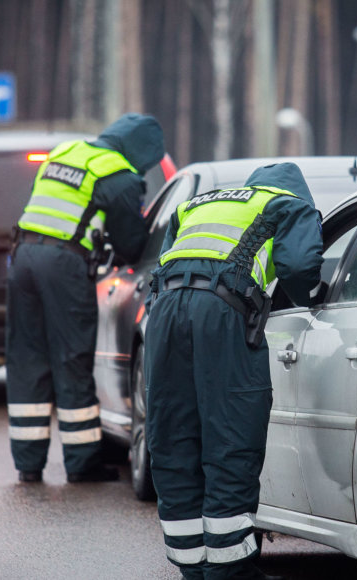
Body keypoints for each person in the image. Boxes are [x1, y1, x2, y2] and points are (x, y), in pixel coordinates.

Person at [145, 162, 323, 580]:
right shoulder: (290, 207)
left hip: (165, 311)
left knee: (175, 434)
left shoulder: (198, 203)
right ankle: (229, 569)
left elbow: (165, 260)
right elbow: (298, 268)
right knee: (231, 433)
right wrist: (312, 295)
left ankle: (191, 565)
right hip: (222, 312)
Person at [5, 113, 164, 484]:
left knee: (27, 355)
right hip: (63, 264)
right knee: (72, 357)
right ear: (142, 151)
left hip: (23, 257)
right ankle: (81, 464)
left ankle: (28, 464)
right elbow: (131, 245)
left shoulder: (65, 152)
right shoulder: (119, 176)